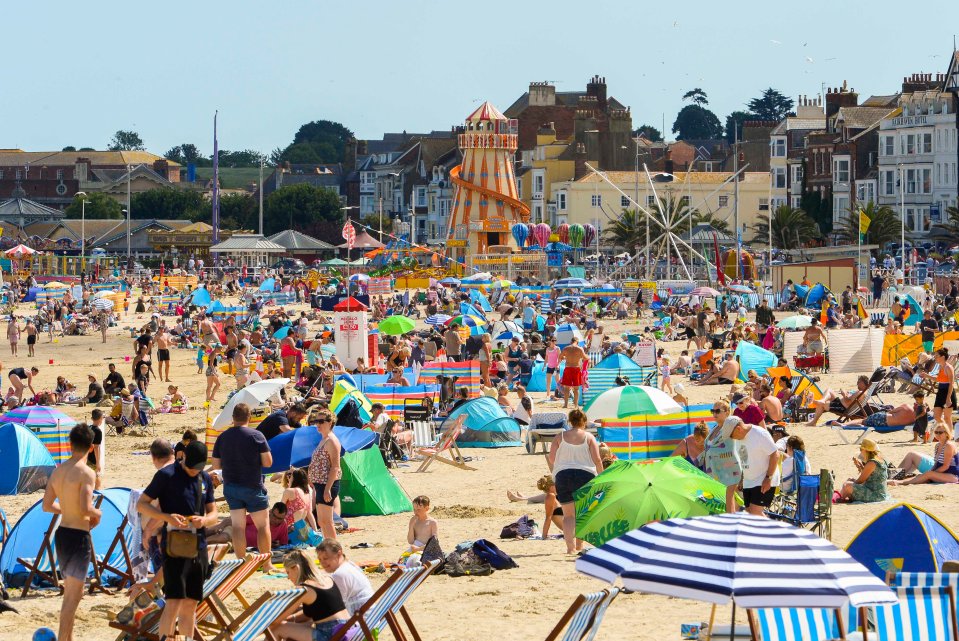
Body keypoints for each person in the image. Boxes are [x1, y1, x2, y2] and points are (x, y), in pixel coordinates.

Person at [137, 440, 217, 640]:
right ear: (183, 457)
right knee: (173, 601)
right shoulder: (166, 475)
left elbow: (214, 513)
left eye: (197, 470)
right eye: (191, 468)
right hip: (174, 547)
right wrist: (167, 517)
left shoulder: (204, 478)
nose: (193, 472)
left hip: (198, 546)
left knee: (191, 603)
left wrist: (205, 520)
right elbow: (142, 504)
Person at [42, 424, 102, 641]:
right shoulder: (86, 473)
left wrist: (68, 509)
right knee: (73, 598)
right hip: (78, 537)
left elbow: (47, 505)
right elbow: (86, 508)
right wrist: (99, 513)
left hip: (63, 534)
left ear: (70, 444)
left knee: (70, 594)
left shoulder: (58, 471)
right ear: (91, 447)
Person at [211, 402, 273, 559]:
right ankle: (266, 563)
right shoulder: (256, 436)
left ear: (233, 418)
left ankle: (241, 562)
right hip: (252, 485)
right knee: (263, 526)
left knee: (238, 527)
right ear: (249, 417)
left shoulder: (222, 437)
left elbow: (216, 466)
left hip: (231, 487)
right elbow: (268, 463)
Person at [547, 408, 603, 554]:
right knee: (582, 514)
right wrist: (602, 477)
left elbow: (552, 458)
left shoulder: (560, 437)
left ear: (570, 421)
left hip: (563, 476)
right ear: (584, 422)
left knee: (569, 516)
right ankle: (580, 546)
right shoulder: (589, 437)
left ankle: (570, 547)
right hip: (585, 476)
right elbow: (597, 460)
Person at [271, 550, 350, 641]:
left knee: (277, 628)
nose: (288, 577)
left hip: (330, 635)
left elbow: (279, 619)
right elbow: (311, 613)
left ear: (296, 568)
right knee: (302, 623)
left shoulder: (305, 589)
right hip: (347, 629)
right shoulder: (327, 578)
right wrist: (292, 618)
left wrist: (265, 625)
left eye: (288, 572)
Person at [724, 416, 780, 516]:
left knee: (755, 511)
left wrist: (768, 478)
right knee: (749, 511)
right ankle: (766, 530)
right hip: (748, 481)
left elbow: (775, 454)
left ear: (738, 429)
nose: (731, 438)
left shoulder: (759, 433)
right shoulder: (737, 439)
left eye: (731, 435)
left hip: (763, 478)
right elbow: (743, 460)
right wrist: (741, 479)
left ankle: (774, 530)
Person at [315, 539, 374, 616]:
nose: (322, 562)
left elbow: (335, 607)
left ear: (339, 554)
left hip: (359, 622)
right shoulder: (350, 565)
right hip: (371, 616)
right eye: (320, 559)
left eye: (326, 558)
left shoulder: (339, 575)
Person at [889, 421, 959, 485]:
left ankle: (899, 482)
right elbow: (936, 463)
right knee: (924, 475)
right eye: (936, 432)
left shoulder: (949, 445)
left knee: (928, 474)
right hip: (943, 473)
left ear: (947, 434)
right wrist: (931, 472)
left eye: (940, 432)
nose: (938, 434)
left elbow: (945, 466)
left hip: (953, 474)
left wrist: (932, 472)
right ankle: (895, 476)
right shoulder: (937, 445)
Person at [309, 408, 342, 540]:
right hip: (320, 484)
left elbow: (335, 467)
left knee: (327, 521)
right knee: (322, 521)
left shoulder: (332, 441)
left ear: (330, 422)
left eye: (321, 421)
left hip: (327, 484)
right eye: (316, 421)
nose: (318, 424)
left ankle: (335, 550)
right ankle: (329, 547)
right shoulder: (324, 439)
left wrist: (327, 489)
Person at [703, 401, 742, 513]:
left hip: (730, 469)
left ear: (727, 412)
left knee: (729, 500)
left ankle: (732, 524)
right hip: (715, 470)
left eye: (717, 411)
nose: (714, 413)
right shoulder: (715, 428)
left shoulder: (731, 427)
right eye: (712, 411)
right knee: (725, 500)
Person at [805, 375, 870, 426]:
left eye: (859, 382)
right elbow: (851, 401)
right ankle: (821, 400)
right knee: (829, 390)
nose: (857, 383)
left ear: (863, 383)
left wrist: (844, 394)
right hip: (841, 404)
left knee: (821, 405)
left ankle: (813, 421)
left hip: (842, 408)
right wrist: (847, 394)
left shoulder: (860, 392)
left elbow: (848, 401)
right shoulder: (865, 392)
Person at [282, 468, 318, 541]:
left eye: (290, 476)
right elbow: (310, 514)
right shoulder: (307, 493)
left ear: (294, 478)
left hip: (290, 529)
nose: (289, 478)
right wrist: (315, 532)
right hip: (303, 531)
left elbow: (279, 508)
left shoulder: (290, 491)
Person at [929, 347, 956, 427]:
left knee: (947, 418)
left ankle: (948, 435)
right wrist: (927, 376)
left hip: (948, 392)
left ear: (943, 357)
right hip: (940, 392)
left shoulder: (948, 367)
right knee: (936, 416)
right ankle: (946, 431)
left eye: (936, 356)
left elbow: (951, 384)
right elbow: (938, 379)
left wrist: (948, 398)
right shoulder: (940, 367)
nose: (935, 357)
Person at [558, 341, 588, 408]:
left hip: (568, 368)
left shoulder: (566, 348)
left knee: (566, 388)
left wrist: (565, 358)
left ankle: (565, 405)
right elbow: (585, 358)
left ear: (571, 342)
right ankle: (576, 405)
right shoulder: (579, 349)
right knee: (576, 389)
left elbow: (560, 357)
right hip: (576, 368)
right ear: (577, 342)